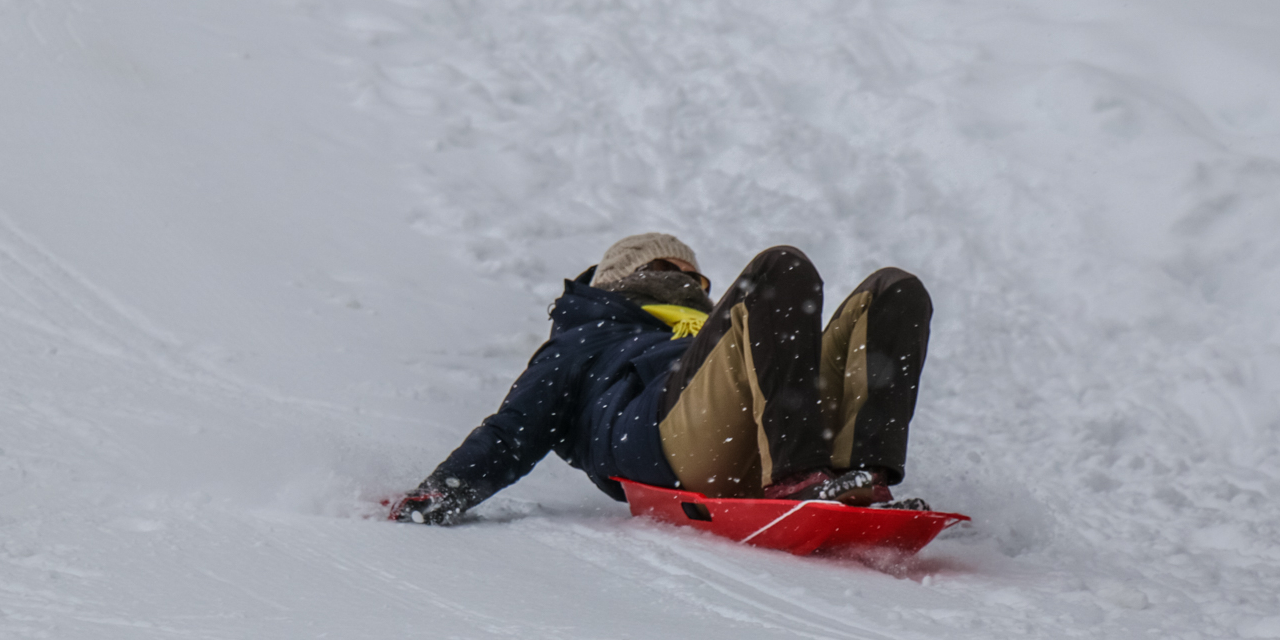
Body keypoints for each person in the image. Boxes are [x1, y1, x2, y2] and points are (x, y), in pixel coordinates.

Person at [388, 233, 933, 525]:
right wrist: (440, 493)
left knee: (893, 290)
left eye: (694, 275)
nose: (689, 282)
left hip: (775, 427)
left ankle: (860, 474)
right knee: (780, 268)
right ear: (624, 279)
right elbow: (514, 430)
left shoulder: (721, 326)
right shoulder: (586, 334)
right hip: (666, 437)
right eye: (668, 271)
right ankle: (798, 475)